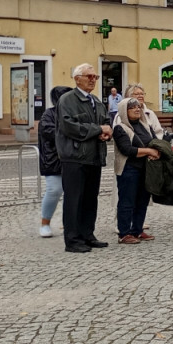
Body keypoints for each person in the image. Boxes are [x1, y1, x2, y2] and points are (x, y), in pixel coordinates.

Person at [56, 64, 112, 253]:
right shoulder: (67, 100)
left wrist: (106, 131)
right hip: (74, 156)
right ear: (77, 78)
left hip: (94, 156)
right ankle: (72, 240)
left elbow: (105, 121)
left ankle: (87, 234)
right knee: (74, 199)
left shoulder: (96, 100)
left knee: (90, 199)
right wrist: (98, 130)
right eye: (89, 76)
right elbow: (68, 126)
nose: (93, 79)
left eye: (95, 76)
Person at [112, 98, 161, 244]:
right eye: (132, 107)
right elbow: (127, 150)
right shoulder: (120, 128)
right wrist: (148, 151)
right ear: (124, 111)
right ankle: (124, 233)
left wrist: (157, 151)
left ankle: (137, 230)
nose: (137, 109)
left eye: (138, 106)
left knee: (142, 201)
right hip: (129, 169)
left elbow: (154, 141)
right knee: (127, 201)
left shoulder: (145, 125)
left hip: (145, 168)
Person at [37, 85, 72, 238]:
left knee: (73, 192)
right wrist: (72, 131)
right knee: (54, 190)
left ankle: (69, 223)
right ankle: (45, 223)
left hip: (73, 158)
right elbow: (49, 132)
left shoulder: (74, 113)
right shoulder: (48, 115)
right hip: (53, 159)